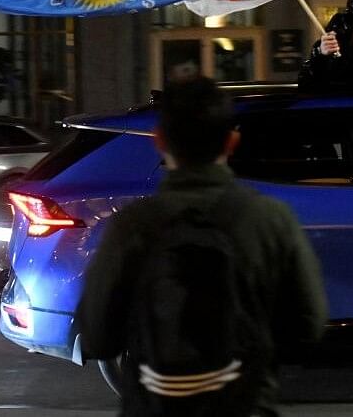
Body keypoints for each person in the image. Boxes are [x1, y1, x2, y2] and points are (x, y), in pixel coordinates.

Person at [77, 77, 328, 417]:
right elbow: (308, 325)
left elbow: (97, 336)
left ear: (160, 141)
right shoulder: (270, 219)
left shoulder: (132, 227)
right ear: (233, 141)